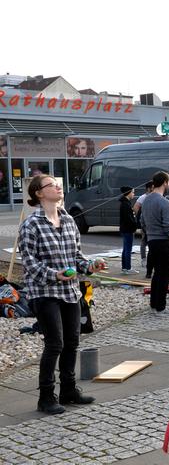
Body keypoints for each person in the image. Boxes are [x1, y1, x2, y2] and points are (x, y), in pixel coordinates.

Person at [19, 174, 106, 414]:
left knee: (72, 342)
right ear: (39, 193)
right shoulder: (31, 224)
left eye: (58, 185)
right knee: (55, 343)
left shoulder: (68, 220)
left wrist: (90, 266)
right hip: (44, 292)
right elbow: (29, 263)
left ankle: (68, 390)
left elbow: (77, 258)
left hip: (70, 292)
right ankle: (46, 397)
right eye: (51, 185)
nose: (58, 187)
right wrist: (55, 275)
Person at [142, 171, 169, 315]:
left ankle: (153, 305)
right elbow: (168, 225)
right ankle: (161, 307)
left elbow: (143, 222)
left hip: (152, 241)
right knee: (164, 276)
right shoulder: (165, 202)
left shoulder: (146, 200)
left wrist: (150, 234)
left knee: (157, 274)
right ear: (164, 182)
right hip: (165, 242)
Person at [134, 181, 155, 278]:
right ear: (148, 188)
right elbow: (136, 207)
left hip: (152, 224)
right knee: (144, 241)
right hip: (145, 224)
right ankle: (143, 259)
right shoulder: (143, 197)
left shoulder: (154, 196)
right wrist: (141, 219)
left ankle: (151, 260)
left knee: (151, 242)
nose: (154, 188)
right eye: (152, 187)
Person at [119, 186, 138, 275]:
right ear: (129, 193)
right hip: (127, 229)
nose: (134, 194)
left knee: (125, 249)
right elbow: (129, 219)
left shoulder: (125, 203)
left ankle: (124, 267)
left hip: (125, 229)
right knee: (128, 249)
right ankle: (128, 268)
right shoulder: (126, 204)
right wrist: (135, 225)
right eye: (133, 192)